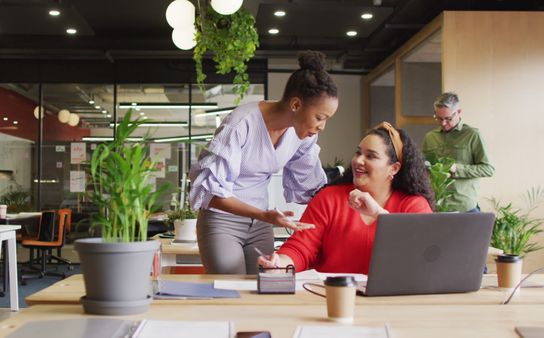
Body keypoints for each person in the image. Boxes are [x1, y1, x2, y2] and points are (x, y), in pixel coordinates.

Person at [189, 51, 339, 274]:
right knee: (232, 291)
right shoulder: (241, 124)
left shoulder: (303, 135)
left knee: (267, 284)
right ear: (296, 105)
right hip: (224, 222)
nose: (322, 127)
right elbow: (209, 194)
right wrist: (262, 215)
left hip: (261, 224)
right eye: (320, 118)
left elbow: (311, 186)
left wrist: (346, 196)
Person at [258, 122, 434, 274]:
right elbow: (301, 248)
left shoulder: (414, 205)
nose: (358, 160)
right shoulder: (329, 199)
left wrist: (378, 214)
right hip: (331, 298)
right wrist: (279, 263)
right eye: (358, 153)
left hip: (394, 304)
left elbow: (425, 254)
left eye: (371, 156)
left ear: (394, 168)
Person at [422, 92, 495, 212]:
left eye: (448, 119)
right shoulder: (429, 138)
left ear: (459, 112)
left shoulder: (473, 135)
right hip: (436, 207)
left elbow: (488, 169)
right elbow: (424, 170)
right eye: (439, 119)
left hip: (465, 208)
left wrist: (458, 169)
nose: (444, 123)